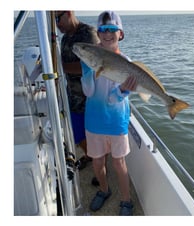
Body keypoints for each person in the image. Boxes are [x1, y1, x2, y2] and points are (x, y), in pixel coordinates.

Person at [80, 11, 137, 216]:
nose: (107, 34)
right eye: (103, 29)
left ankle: (126, 200)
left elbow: (115, 98)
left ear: (120, 33)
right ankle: (104, 190)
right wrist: (90, 68)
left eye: (112, 29)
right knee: (97, 161)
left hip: (116, 121)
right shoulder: (89, 57)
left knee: (119, 162)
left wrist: (122, 91)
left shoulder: (126, 61)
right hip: (94, 121)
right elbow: (88, 91)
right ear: (98, 33)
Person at [55, 11, 99, 170]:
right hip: (72, 96)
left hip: (90, 97)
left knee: (93, 135)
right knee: (78, 133)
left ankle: (98, 165)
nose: (56, 24)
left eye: (57, 18)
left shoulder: (88, 33)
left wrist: (61, 69)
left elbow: (94, 66)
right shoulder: (65, 38)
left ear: (68, 13)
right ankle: (91, 156)